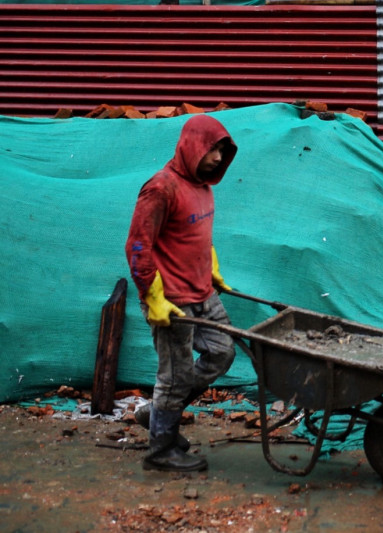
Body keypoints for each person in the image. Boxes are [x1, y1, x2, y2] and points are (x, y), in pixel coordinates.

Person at [125, 114, 238, 472]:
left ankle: (159, 413)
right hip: (172, 299)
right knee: (174, 377)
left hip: (203, 293)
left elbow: (197, 235)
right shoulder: (161, 188)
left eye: (223, 150)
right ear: (192, 146)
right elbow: (139, 246)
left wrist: (212, 267)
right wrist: (153, 298)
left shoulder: (204, 187)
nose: (218, 158)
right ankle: (161, 450)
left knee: (222, 353)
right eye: (212, 150)